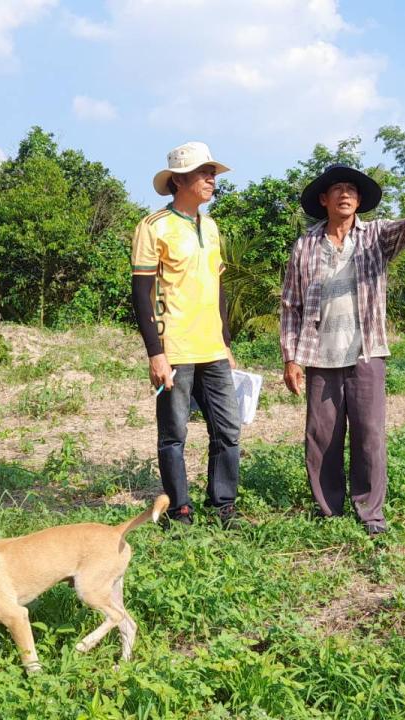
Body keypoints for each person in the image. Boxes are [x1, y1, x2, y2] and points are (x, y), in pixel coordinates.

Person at [280, 147, 405, 536]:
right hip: (320, 356)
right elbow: (291, 303)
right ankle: (329, 512)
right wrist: (290, 357)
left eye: (352, 190)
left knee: (369, 435)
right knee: (321, 438)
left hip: (365, 353)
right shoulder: (305, 246)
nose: (345, 194)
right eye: (337, 189)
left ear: (359, 201)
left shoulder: (376, 236)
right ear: (323, 199)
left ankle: (370, 513)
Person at [130, 141, 241, 528]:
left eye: (212, 172)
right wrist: (155, 353)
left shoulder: (210, 227)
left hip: (212, 348)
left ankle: (223, 503)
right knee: (174, 434)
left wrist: (226, 344)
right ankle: (180, 507)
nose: (211, 179)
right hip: (175, 348)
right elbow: (141, 294)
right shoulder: (153, 227)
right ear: (179, 180)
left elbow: (218, 289)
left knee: (227, 428)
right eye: (203, 173)